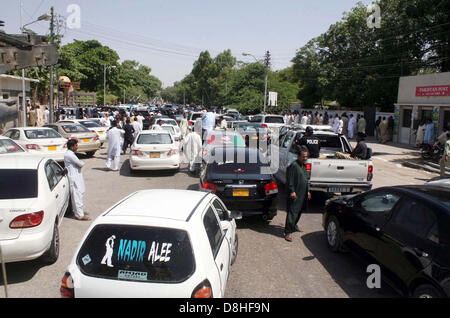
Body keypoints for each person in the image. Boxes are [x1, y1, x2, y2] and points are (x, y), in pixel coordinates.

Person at [284, 146, 311, 242]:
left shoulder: (303, 166)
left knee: (299, 210)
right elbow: (290, 180)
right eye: (303, 156)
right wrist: (292, 191)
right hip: (295, 193)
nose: (305, 158)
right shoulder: (293, 165)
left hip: (303, 193)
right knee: (292, 212)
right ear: (298, 156)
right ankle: (287, 232)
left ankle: (294, 226)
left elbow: (306, 179)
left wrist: (307, 191)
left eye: (306, 156)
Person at [64, 139, 90, 221]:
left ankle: (78, 212)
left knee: (78, 195)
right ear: (72, 147)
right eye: (76, 145)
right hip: (74, 178)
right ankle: (79, 215)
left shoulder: (71, 154)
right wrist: (81, 162)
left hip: (76, 177)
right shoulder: (70, 155)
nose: (77, 147)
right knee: (77, 196)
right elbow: (80, 164)